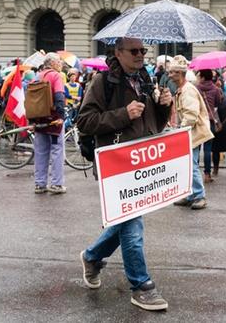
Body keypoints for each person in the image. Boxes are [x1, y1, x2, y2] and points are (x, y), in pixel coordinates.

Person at [76, 37, 172, 311]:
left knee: (124, 218)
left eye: (143, 50)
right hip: (115, 165)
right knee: (132, 223)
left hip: (142, 164)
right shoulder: (102, 82)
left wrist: (164, 105)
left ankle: (93, 257)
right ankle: (141, 286)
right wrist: (123, 114)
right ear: (118, 53)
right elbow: (84, 122)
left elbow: (155, 123)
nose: (141, 55)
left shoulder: (146, 80)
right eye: (134, 51)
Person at [169, 56, 213, 210]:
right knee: (187, 165)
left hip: (190, 134)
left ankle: (199, 196)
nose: (169, 75)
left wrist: (180, 130)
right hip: (188, 133)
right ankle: (190, 195)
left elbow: (191, 116)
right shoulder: (183, 89)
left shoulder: (187, 90)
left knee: (191, 165)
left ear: (180, 74)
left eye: (173, 72)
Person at [32, 53, 67, 194]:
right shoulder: (55, 76)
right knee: (57, 150)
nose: (61, 64)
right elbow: (59, 96)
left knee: (40, 151)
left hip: (38, 117)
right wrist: (61, 116)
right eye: (59, 61)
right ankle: (56, 184)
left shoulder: (37, 76)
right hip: (53, 118)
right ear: (52, 63)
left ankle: (40, 184)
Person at [196, 69, 223, 183]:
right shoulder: (215, 89)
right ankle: (207, 174)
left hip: (198, 120)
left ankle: (195, 173)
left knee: (196, 148)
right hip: (210, 120)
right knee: (208, 149)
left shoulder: (195, 88)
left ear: (202, 77)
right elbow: (218, 103)